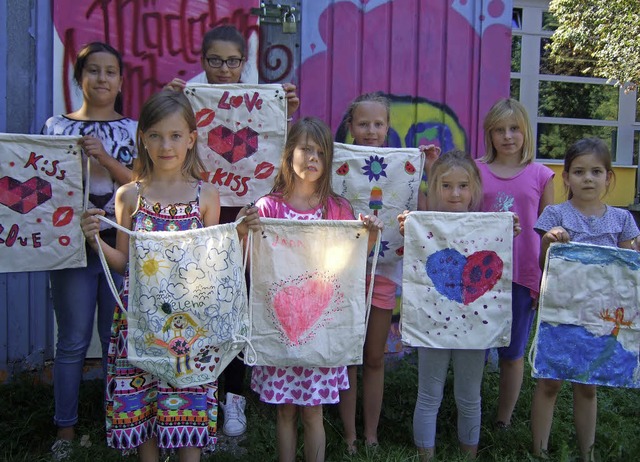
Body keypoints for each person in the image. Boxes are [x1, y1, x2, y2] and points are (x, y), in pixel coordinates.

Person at [80, 90, 252, 461]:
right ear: (142, 137)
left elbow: (214, 262)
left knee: (188, 404)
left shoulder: (206, 195)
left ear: (191, 139)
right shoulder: (129, 196)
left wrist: (236, 231)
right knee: (143, 406)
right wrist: (95, 240)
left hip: (191, 325)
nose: (165, 145)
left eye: (175, 136)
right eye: (156, 135)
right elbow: (123, 263)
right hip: (137, 320)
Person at [166, 24, 299, 437]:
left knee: (238, 305)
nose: (224, 70)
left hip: (245, 215)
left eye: (233, 61)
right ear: (202, 60)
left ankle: (234, 401)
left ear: (244, 63)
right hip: (197, 211)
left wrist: (285, 110)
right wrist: (175, 103)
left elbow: (279, 147)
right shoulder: (187, 95)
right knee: (197, 302)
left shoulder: (260, 97)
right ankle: (195, 390)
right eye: (215, 61)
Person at [245, 117, 383, 462]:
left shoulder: (337, 209)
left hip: (320, 332)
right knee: (285, 412)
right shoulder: (268, 208)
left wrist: (371, 235)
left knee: (312, 412)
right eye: (306, 149)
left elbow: (351, 265)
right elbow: (252, 265)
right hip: (280, 329)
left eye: (321, 152)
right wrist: (244, 233)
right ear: (289, 153)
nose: (313, 158)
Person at [41, 41, 137, 461]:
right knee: (73, 340)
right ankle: (65, 430)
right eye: (92, 71)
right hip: (71, 241)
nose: (101, 79)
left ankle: (116, 421)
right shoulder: (54, 127)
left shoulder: (135, 128)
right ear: (78, 78)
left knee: (114, 338)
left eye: (110, 71)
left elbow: (144, 184)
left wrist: (107, 160)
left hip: (119, 235)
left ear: (120, 81)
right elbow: (41, 187)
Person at [398, 150, 521, 460]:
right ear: (434, 188)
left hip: (473, 329)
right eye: (446, 185)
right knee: (429, 396)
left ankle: (469, 456)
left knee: (469, 397)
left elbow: (499, 255)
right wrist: (409, 230)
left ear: (474, 189)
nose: (455, 193)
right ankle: (425, 456)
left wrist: (508, 231)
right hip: (432, 327)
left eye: (463, 186)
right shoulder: (421, 223)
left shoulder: (489, 224)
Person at [337, 92, 439, 453]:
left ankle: (371, 434)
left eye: (378, 124)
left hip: (384, 271)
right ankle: (349, 434)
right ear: (350, 127)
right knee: (349, 354)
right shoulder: (338, 164)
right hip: (344, 271)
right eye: (363, 124)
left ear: (387, 127)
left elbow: (427, 211)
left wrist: (427, 170)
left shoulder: (403, 166)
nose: (370, 130)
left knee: (375, 356)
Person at [531, 137, 639, 462]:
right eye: (579, 171)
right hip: (560, 313)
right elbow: (543, 264)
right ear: (566, 177)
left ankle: (587, 454)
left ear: (609, 177)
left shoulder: (622, 220)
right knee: (550, 380)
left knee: (587, 383)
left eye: (595, 171)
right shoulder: (554, 215)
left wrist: (631, 254)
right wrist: (550, 242)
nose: (587, 178)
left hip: (600, 317)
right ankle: (539, 451)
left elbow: (630, 267)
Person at [476, 98, 554, 429]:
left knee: (513, 352)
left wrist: (547, 276)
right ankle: (471, 413)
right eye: (499, 130)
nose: (507, 136)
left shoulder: (541, 174)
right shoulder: (475, 169)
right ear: (489, 134)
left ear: (525, 133)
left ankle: (502, 420)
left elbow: (549, 228)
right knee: (476, 351)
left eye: (514, 129)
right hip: (479, 274)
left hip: (523, 274)